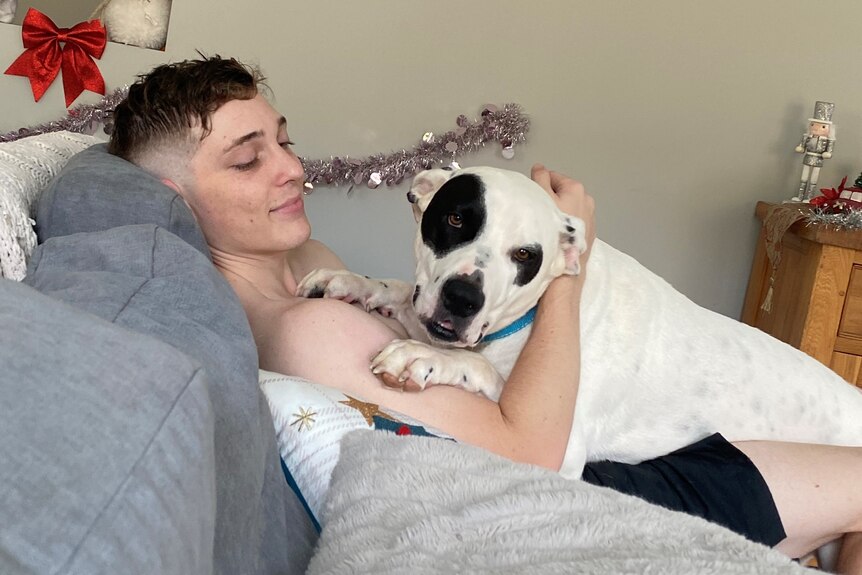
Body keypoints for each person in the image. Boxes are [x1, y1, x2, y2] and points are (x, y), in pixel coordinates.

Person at [107, 55, 862, 572]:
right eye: (248, 158)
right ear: (174, 198)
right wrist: (571, 262)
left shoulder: (307, 268)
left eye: (285, 140)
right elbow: (532, 453)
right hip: (576, 480)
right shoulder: (304, 325)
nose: (293, 168)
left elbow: (428, 323)